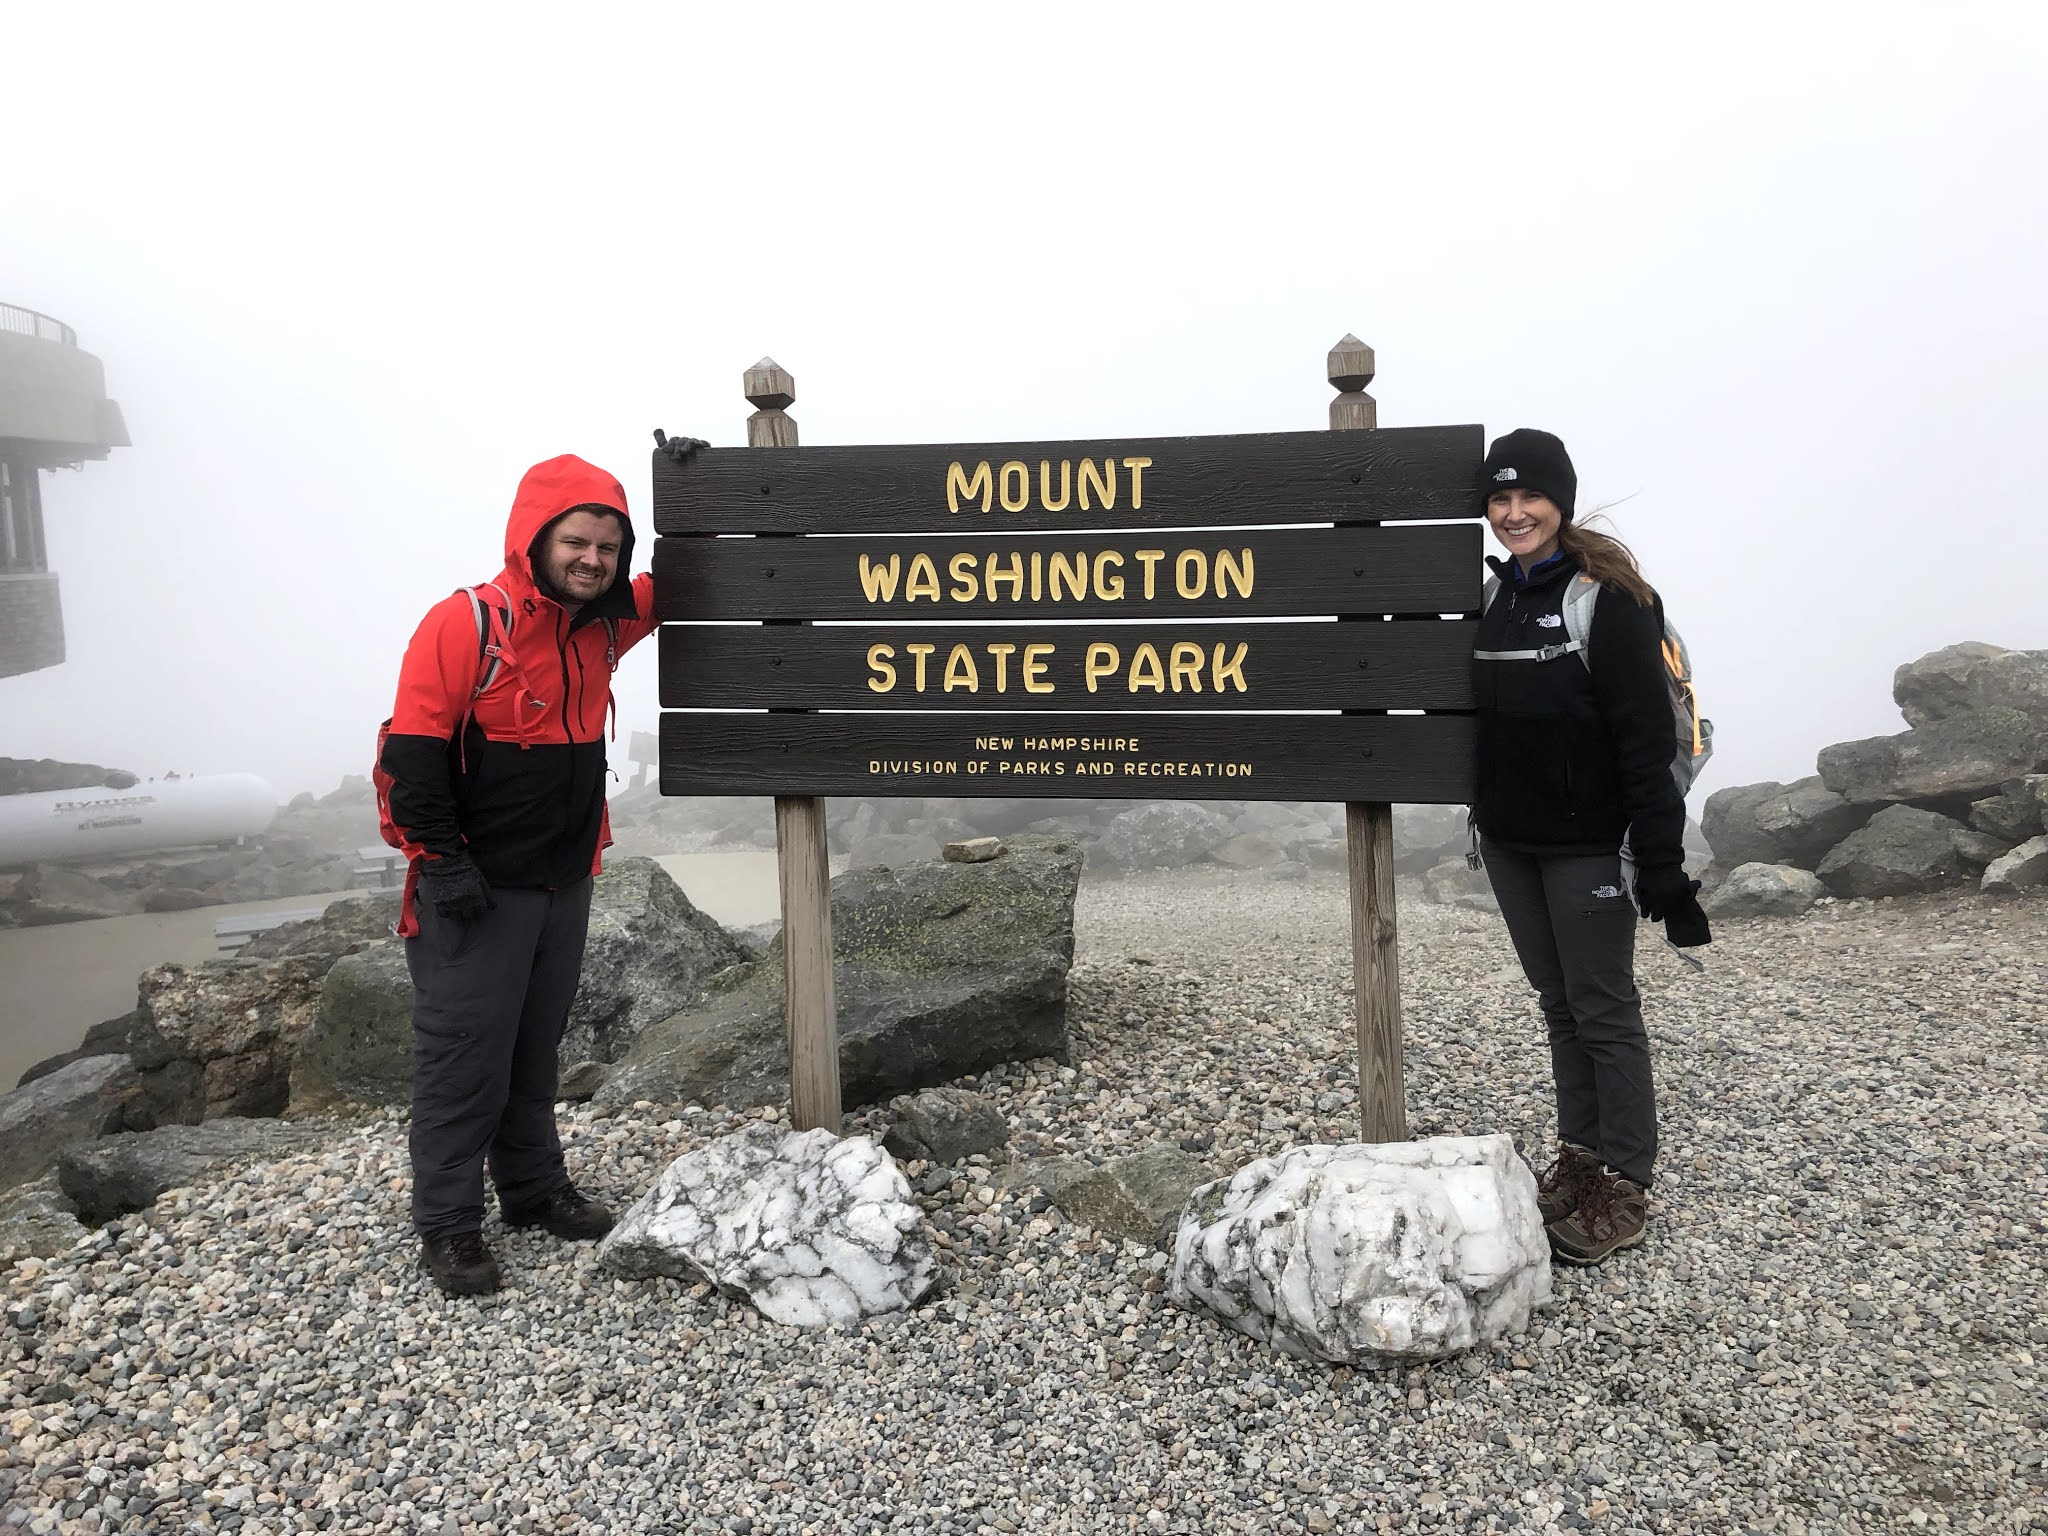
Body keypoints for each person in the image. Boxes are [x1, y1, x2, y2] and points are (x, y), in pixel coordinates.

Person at [380, 434, 705, 1296]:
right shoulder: (467, 622)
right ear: (536, 540)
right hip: (475, 891)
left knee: (534, 1047)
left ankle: (531, 1191)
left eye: (608, 546)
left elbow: (686, 575)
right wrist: (441, 864)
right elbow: (409, 759)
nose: (593, 560)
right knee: (463, 1057)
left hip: (566, 880)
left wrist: (695, 488)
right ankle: (448, 1226)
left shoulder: (604, 627)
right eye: (576, 543)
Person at [1470, 428, 1709, 1267]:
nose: (1512, 513)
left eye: (1527, 497)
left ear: (1559, 501)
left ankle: (1626, 1185)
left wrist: (1664, 864)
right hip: (1511, 843)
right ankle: (1579, 1158)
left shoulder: (1607, 597)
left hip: (1588, 848)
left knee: (1604, 1009)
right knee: (1559, 1003)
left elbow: (1644, 742)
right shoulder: (1499, 598)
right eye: (1498, 500)